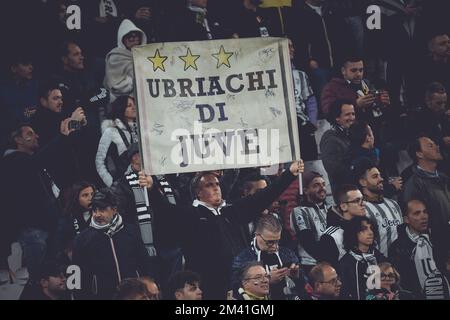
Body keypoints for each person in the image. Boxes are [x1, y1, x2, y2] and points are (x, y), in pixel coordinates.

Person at [139, 160, 304, 299]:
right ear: (198, 193)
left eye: (217, 184)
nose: (216, 187)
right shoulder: (189, 214)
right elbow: (164, 210)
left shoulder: (232, 210)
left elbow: (264, 196)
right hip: (210, 287)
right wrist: (152, 188)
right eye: (209, 185)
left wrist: (290, 173)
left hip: (241, 284)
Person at [1, 120, 74, 281]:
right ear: (17, 140)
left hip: (47, 226)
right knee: (39, 279)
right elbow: (39, 159)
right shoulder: (13, 160)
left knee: (51, 275)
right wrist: (61, 136)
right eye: (30, 134)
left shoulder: (30, 162)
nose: (36, 136)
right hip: (32, 230)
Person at [72, 189, 153, 299]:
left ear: (114, 209)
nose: (97, 214)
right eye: (94, 210)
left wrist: (147, 282)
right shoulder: (82, 238)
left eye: (102, 209)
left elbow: (144, 261)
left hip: (133, 295)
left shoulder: (131, 231)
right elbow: (75, 272)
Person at [231, 215, 307, 300]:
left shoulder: (287, 254)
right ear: (257, 235)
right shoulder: (243, 259)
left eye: (277, 241)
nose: (274, 246)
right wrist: (267, 281)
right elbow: (236, 290)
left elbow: (304, 286)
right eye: (269, 242)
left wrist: (297, 277)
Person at [389, 199, 450, 300]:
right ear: (406, 219)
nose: (424, 217)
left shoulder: (440, 237)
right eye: (417, 213)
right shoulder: (397, 248)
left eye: (425, 212)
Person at [403, 135, 450, 263]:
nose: (437, 146)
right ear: (419, 154)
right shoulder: (414, 184)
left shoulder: (444, 178)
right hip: (436, 247)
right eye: (430, 145)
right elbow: (415, 219)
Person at [354, 161, 403, 258]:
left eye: (380, 176)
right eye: (375, 176)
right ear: (363, 182)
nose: (381, 179)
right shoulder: (361, 209)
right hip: (381, 265)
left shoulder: (393, 204)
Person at [318, 184, 367, 269]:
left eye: (363, 199)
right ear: (343, 206)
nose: (363, 204)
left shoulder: (367, 228)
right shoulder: (330, 236)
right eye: (357, 200)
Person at [290, 171, 330, 274]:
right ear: (306, 190)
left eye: (323, 184)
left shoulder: (330, 209)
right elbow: (307, 241)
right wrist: (326, 259)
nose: (322, 188)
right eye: (316, 185)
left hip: (332, 263)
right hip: (311, 265)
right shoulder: (299, 211)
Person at [339, 216, 387, 300]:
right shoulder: (345, 263)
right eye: (364, 229)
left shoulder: (379, 257)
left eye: (371, 228)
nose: (370, 232)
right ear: (353, 232)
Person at [96, 96, 138, 187]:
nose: (134, 107)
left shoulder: (142, 129)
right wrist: (111, 183)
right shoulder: (111, 131)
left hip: (146, 180)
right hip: (125, 183)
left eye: (134, 104)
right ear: (121, 108)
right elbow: (99, 161)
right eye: (129, 105)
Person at [104, 19, 147, 102]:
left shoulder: (145, 56)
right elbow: (116, 86)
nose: (134, 40)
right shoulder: (115, 57)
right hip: (121, 101)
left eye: (136, 36)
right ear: (122, 39)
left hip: (144, 97)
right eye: (130, 37)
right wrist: (134, 80)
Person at [54, 181, 96, 262]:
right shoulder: (67, 218)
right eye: (85, 195)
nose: (90, 198)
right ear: (76, 198)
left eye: (92, 194)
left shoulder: (101, 213)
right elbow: (60, 245)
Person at [320, 99, 355, 193]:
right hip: (345, 194)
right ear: (337, 118)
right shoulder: (330, 138)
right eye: (347, 114)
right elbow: (334, 170)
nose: (352, 118)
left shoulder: (352, 134)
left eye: (353, 114)